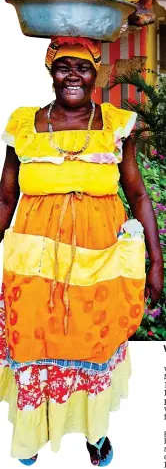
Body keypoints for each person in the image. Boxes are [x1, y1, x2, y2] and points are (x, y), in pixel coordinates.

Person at [0, 36, 163, 467]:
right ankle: (32, 430)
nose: (73, 75)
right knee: (32, 343)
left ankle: (94, 432)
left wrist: (156, 260)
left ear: (96, 75)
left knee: (92, 343)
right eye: (63, 66)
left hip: (100, 257)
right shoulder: (22, 124)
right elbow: (5, 198)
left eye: (83, 67)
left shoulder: (117, 124)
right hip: (33, 263)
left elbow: (138, 194)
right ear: (51, 72)